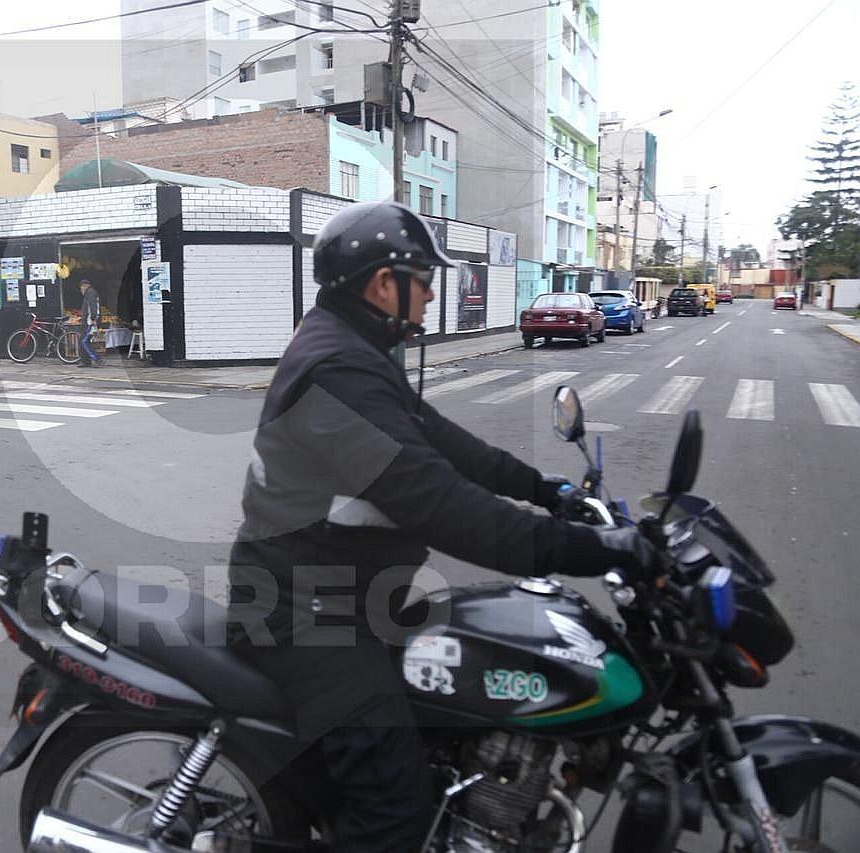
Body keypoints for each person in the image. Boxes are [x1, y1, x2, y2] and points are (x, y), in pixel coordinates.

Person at [226, 201, 661, 852]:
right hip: (304, 611)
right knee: (395, 806)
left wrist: (549, 490)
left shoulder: (353, 348)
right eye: (424, 279)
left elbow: (446, 444)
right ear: (382, 283)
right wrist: (592, 549)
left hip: (352, 592)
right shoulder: (338, 369)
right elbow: (440, 504)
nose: (431, 294)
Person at [78, 279, 101, 367]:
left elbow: (93, 306)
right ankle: (86, 361)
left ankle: (96, 358)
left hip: (90, 322)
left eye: (81, 288)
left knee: (84, 341)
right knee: (84, 341)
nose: (81, 291)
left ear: (84, 286)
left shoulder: (90, 293)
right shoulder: (90, 293)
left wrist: (93, 318)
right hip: (88, 321)